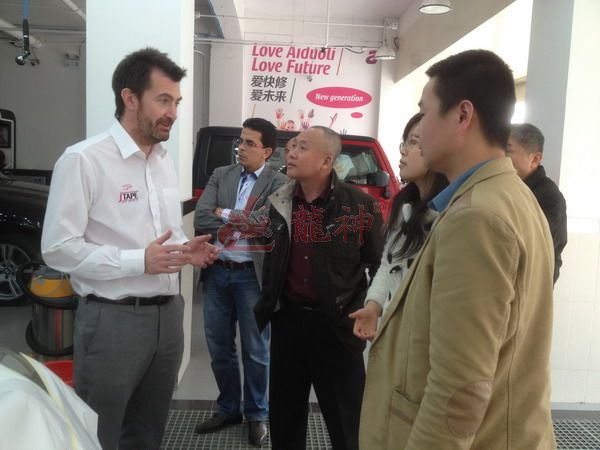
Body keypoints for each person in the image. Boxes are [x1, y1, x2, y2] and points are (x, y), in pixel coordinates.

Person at [360, 49, 557, 449]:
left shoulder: (477, 217)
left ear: (463, 115)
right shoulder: (506, 195)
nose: (418, 130)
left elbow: (458, 392)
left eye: (425, 112)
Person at [41, 48, 219, 450]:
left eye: (176, 102)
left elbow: (162, 233)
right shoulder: (84, 160)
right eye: (163, 100)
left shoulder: (162, 160)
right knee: (98, 432)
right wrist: (138, 260)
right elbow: (57, 249)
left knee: (149, 430)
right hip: (112, 321)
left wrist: (184, 250)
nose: (173, 112)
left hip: (168, 318)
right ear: (130, 98)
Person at [254, 126, 384, 450]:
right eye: (292, 146)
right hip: (288, 323)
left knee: (348, 425)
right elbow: (269, 256)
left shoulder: (360, 207)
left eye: (302, 147)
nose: (291, 152)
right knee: (285, 421)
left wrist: (372, 307)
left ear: (327, 161)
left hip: (337, 326)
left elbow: (379, 263)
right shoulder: (279, 202)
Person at [193, 117, 287, 446]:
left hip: (252, 277)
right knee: (219, 348)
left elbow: (266, 225)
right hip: (217, 272)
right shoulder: (222, 174)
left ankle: (257, 414)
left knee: (256, 351)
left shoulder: (279, 183)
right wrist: (239, 221)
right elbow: (201, 216)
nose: (241, 148)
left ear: (267, 151)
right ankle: (229, 408)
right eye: (240, 141)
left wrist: (223, 213)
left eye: (249, 143)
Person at [350, 113, 448, 341]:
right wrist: (373, 307)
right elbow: (389, 263)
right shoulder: (405, 205)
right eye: (405, 142)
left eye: (414, 142)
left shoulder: (450, 215)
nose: (403, 151)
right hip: (396, 330)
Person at [507, 123, 567, 283]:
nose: (499, 157)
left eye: (507, 151)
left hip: (530, 287)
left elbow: (531, 247)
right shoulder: (510, 187)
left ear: (535, 159)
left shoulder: (549, 198)